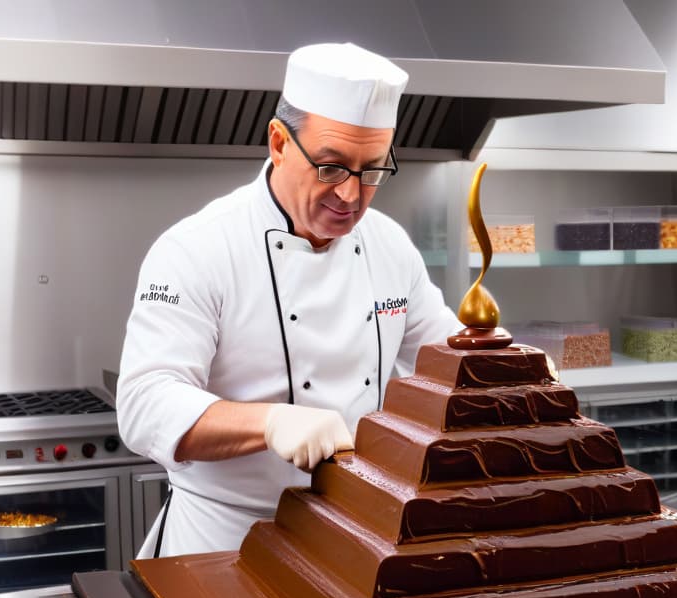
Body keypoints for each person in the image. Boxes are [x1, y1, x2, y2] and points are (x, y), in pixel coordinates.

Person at [117, 42, 459, 558]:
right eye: (331, 167)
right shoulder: (199, 248)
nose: (350, 195)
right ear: (278, 142)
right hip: (223, 542)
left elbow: (445, 359)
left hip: (354, 538)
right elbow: (145, 404)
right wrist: (270, 422)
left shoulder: (389, 246)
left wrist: (511, 369)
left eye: (371, 171)